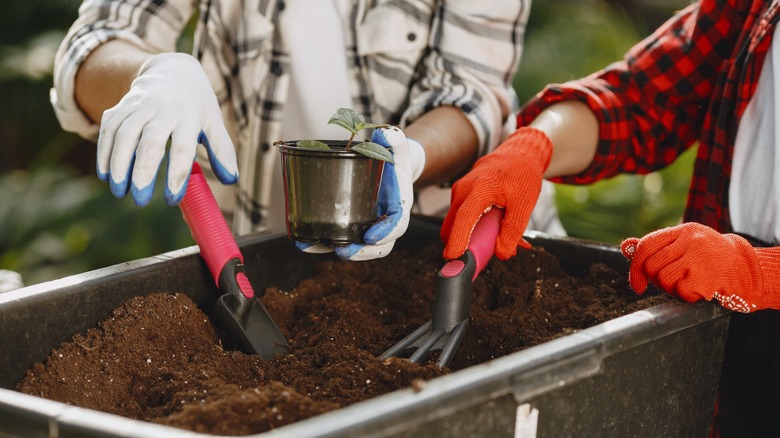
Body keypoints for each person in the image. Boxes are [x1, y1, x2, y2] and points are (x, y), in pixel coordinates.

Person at [440, 1, 780, 436]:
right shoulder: (752, 10)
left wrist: (758, 272)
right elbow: (639, 99)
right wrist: (534, 144)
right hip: (723, 309)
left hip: (740, 274)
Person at [50, 0, 564, 261]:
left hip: (452, 243)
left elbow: (471, 90)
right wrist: (156, 74)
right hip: (264, 243)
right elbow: (96, 40)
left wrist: (407, 156)